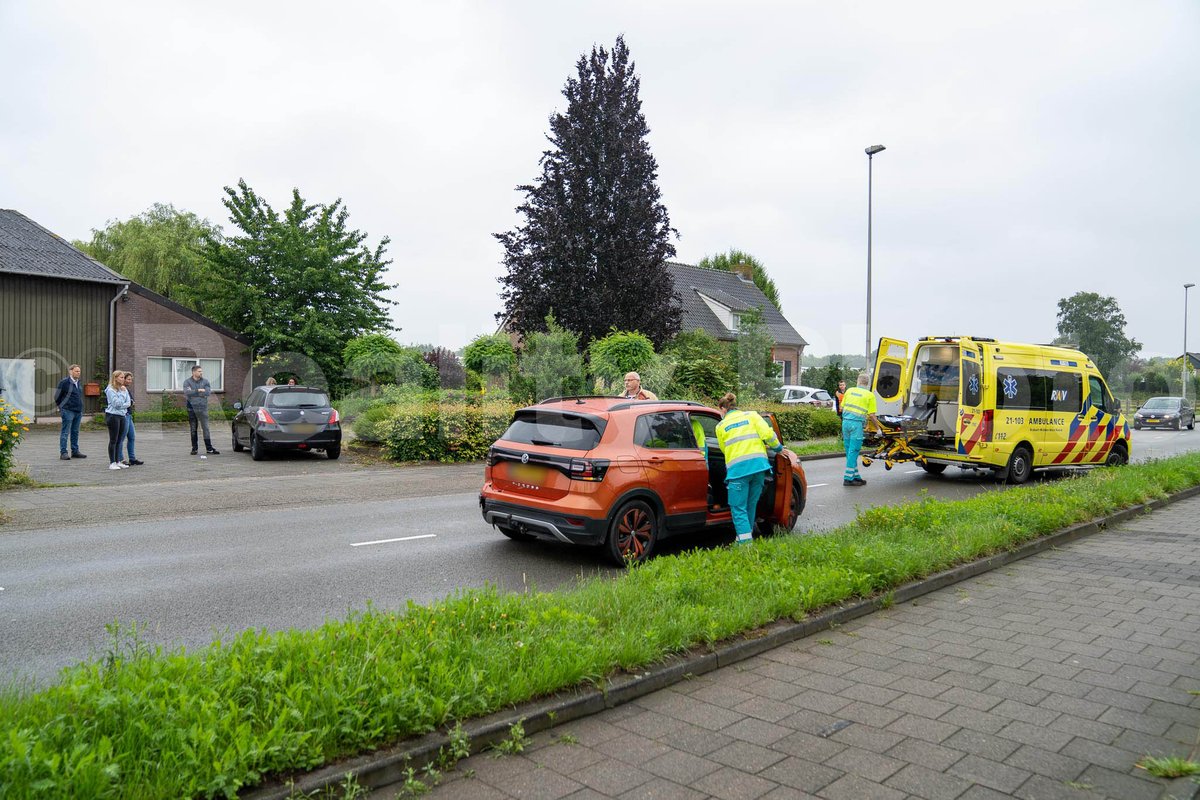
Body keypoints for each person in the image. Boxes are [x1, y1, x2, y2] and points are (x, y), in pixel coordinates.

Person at [715, 392, 782, 545]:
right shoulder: (752, 416)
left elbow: (724, 449)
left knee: (738, 508)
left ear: (723, 409)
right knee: (750, 505)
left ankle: (746, 546)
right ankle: (742, 539)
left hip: (738, 472)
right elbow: (768, 434)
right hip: (759, 468)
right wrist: (778, 448)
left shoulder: (721, 426)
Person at [841, 373, 879, 487]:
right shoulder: (869, 395)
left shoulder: (849, 391)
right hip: (856, 425)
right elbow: (872, 415)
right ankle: (848, 478)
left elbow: (842, 407)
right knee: (854, 451)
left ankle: (856, 476)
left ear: (858, 381)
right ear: (867, 383)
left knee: (849, 452)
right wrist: (878, 429)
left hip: (845, 423)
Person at [183, 364, 219, 456]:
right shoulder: (187, 382)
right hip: (192, 409)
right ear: (194, 372)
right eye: (199, 371)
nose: (201, 373)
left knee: (206, 429)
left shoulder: (205, 381)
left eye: (201, 371)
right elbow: (187, 392)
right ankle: (194, 449)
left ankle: (209, 449)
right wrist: (199, 390)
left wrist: (195, 392)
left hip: (203, 408)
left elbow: (208, 392)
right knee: (193, 429)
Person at [53, 364, 86, 460]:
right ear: (70, 371)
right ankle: (63, 452)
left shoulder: (78, 382)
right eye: (76, 371)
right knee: (65, 432)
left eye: (79, 371)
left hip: (78, 411)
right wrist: (62, 407)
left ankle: (75, 451)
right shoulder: (64, 382)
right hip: (68, 411)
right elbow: (57, 396)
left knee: (75, 432)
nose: (78, 373)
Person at [103, 370, 131, 471]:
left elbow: (129, 403)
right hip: (113, 416)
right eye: (121, 377)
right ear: (115, 378)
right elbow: (117, 404)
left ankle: (118, 460)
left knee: (120, 440)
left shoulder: (123, 389)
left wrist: (124, 400)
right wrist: (123, 394)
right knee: (113, 440)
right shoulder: (110, 390)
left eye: (123, 377)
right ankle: (112, 462)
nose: (123, 379)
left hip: (122, 415)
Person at [116, 371, 143, 466]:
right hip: (124, 415)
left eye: (131, 379)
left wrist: (131, 402)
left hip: (129, 415)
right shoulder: (120, 389)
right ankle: (120, 459)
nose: (130, 381)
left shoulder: (127, 389)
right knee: (121, 438)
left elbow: (131, 401)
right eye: (128, 379)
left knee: (132, 437)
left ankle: (132, 458)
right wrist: (130, 403)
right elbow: (125, 402)